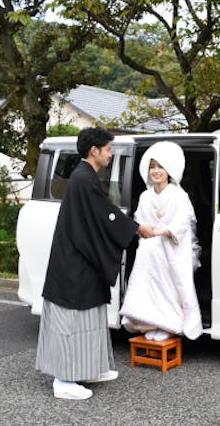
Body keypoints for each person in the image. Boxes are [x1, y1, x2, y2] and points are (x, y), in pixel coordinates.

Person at [36, 127, 154, 400]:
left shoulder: (84, 176)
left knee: (90, 315)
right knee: (71, 319)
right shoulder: (83, 179)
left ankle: (90, 367)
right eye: (109, 150)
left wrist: (131, 227)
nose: (111, 155)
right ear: (94, 150)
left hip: (81, 258)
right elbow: (105, 216)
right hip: (73, 263)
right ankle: (63, 380)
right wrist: (136, 229)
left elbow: (102, 215)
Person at [120, 141, 203, 342]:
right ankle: (152, 322)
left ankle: (172, 324)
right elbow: (140, 219)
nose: (155, 171)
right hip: (150, 250)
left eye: (160, 167)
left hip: (171, 249)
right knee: (151, 287)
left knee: (172, 286)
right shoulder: (145, 196)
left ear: (169, 170)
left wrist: (166, 230)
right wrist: (144, 229)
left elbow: (184, 221)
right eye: (152, 167)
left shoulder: (179, 195)